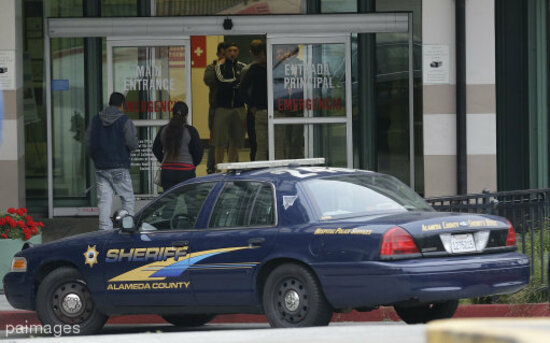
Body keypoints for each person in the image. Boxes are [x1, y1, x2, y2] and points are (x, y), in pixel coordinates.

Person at [86, 92, 138, 230]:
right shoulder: (125, 121)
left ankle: (104, 229)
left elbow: (88, 143)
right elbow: (132, 143)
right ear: (122, 105)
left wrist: (96, 158)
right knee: (127, 198)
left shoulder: (95, 120)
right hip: (120, 166)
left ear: (109, 104)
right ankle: (129, 226)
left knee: (104, 200)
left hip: (101, 167)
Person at [152, 101, 203, 190]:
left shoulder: (164, 130)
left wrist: (163, 160)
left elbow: (156, 149)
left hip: (168, 171)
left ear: (173, 113)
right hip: (186, 171)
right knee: (190, 201)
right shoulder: (191, 131)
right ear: (186, 115)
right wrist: (192, 164)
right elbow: (198, 152)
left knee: (169, 202)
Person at [212, 42, 247, 166]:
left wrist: (237, 83)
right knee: (220, 142)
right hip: (223, 108)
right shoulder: (218, 66)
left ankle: (230, 168)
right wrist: (237, 82)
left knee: (236, 141)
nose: (232, 53)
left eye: (235, 50)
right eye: (230, 51)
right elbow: (223, 82)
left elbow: (246, 84)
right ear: (225, 53)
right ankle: (218, 168)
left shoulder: (243, 66)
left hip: (239, 108)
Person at [240, 39, 267, 160]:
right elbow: (243, 90)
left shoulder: (250, 69)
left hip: (257, 110)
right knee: (258, 145)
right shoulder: (251, 69)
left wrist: (251, 106)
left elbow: (242, 90)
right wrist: (252, 106)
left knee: (256, 145)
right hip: (258, 110)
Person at [203, 42, 227, 173]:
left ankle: (234, 169)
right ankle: (211, 168)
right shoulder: (212, 67)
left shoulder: (234, 67)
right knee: (215, 141)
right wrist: (219, 66)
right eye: (223, 55)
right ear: (218, 55)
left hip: (231, 108)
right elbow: (207, 80)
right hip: (216, 109)